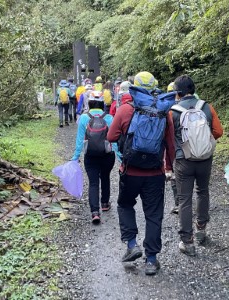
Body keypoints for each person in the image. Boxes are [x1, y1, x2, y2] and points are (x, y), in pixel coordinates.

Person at [107, 71, 175, 276]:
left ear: (134, 87)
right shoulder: (164, 111)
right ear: (155, 87)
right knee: (154, 214)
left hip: (130, 172)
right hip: (155, 173)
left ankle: (132, 244)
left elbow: (111, 136)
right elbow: (171, 144)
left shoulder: (126, 109)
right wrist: (170, 167)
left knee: (125, 205)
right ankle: (152, 260)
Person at [170, 75, 223, 256]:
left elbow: (168, 138)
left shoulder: (173, 111)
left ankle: (187, 241)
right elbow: (218, 131)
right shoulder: (207, 107)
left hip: (183, 160)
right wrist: (204, 143)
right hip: (205, 159)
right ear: (193, 89)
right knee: (203, 191)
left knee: (184, 198)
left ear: (178, 93)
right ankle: (201, 229)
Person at [71, 90, 116, 224]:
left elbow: (79, 141)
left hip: (90, 156)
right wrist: (120, 157)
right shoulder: (109, 118)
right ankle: (105, 204)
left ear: (89, 103)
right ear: (103, 103)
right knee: (106, 177)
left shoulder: (84, 118)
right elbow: (114, 141)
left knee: (93, 182)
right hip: (107, 155)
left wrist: (75, 157)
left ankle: (95, 212)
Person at [166, 82, 179, 214]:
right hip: (193, 146)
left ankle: (178, 203)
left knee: (175, 175)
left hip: (175, 147)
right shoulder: (196, 103)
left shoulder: (168, 109)